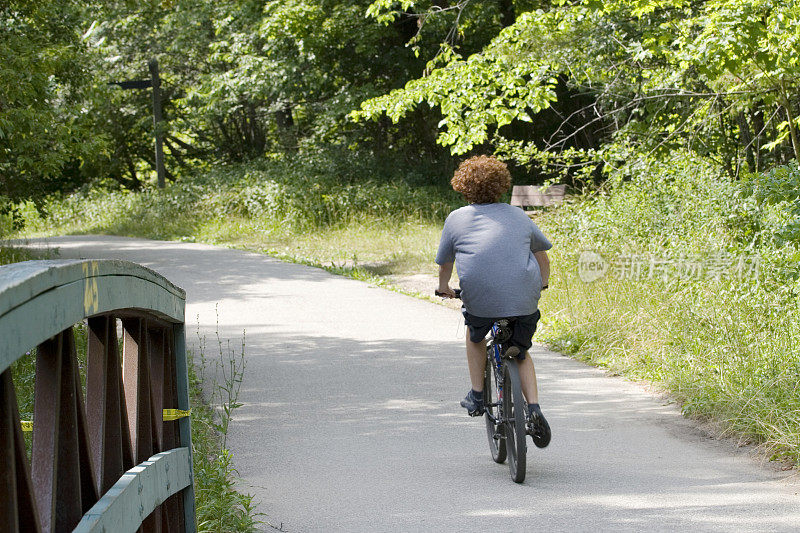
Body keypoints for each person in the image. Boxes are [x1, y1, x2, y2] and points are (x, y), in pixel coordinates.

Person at [436, 155, 552, 448]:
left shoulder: (457, 218)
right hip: (523, 298)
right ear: (501, 185)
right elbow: (542, 257)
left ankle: (477, 393)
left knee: (475, 335)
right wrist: (543, 283)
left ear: (463, 187)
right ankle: (534, 408)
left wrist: (443, 287)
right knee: (522, 351)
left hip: (480, 298)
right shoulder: (519, 215)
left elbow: (445, 264)